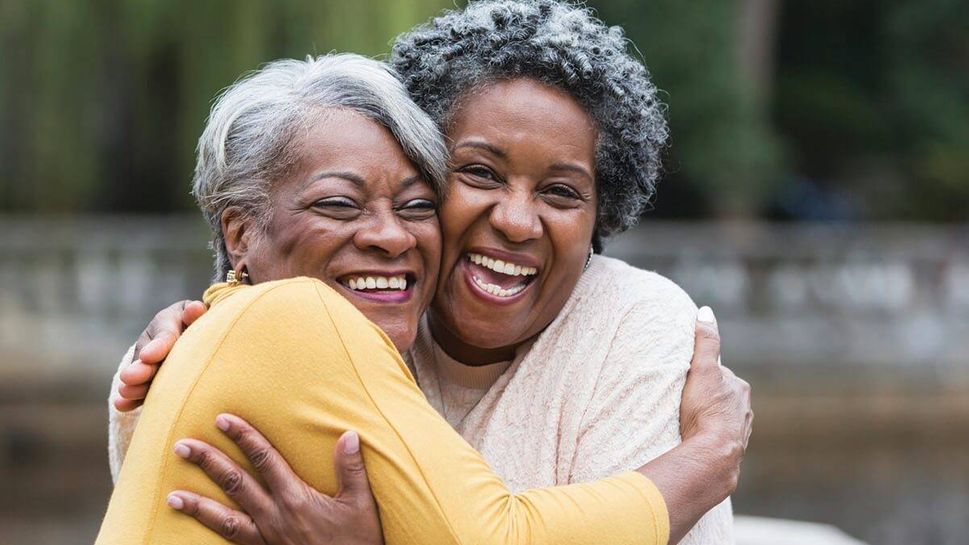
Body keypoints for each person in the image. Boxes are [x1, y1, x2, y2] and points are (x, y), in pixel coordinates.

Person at [108, 1, 753, 543]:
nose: (517, 221)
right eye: (478, 173)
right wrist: (708, 459)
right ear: (239, 230)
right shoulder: (294, 323)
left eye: (561, 192)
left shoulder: (636, 325)